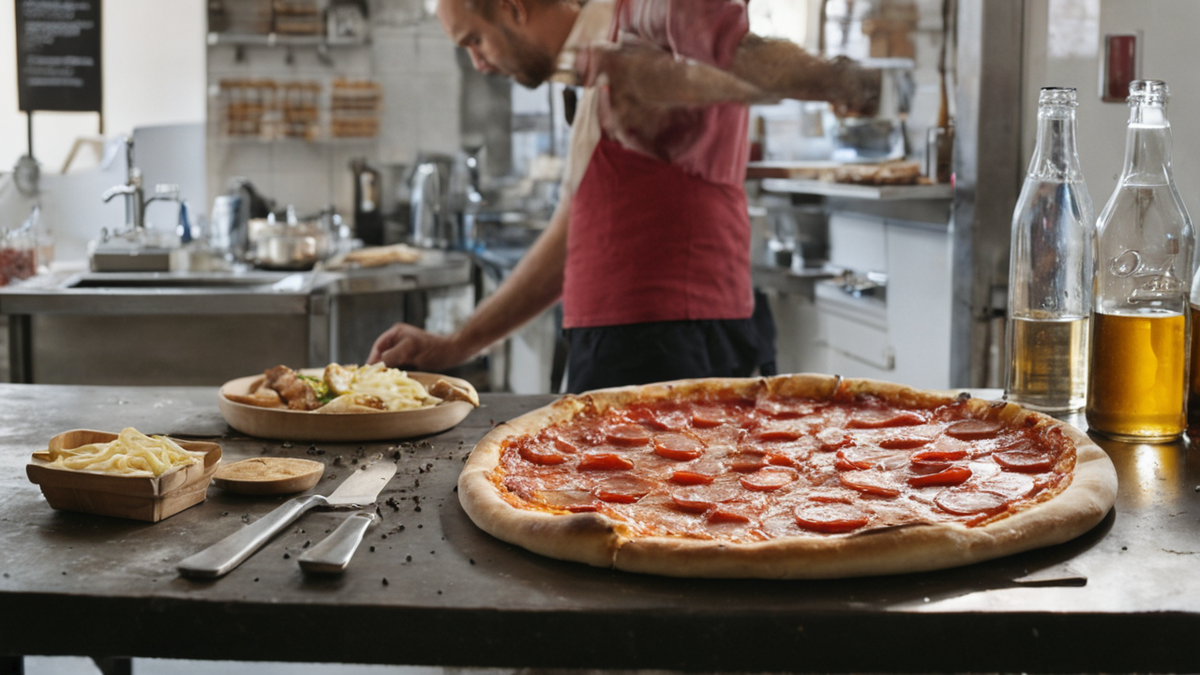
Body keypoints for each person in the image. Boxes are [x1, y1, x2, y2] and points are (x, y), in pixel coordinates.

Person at [369, 0, 880, 393]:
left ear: (513, 6)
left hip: (663, 339)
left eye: (474, 40)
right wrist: (458, 343)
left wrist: (847, 82)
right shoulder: (599, 54)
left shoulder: (644, 16)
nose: (479, 63)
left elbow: (740, 54)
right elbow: (575, 236)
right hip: (621, 339)